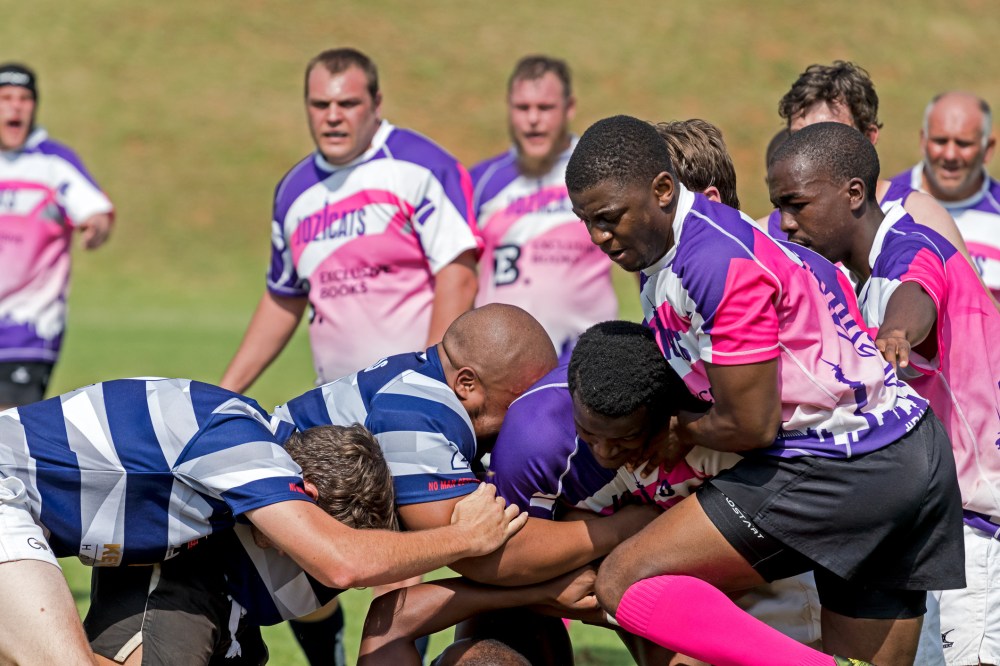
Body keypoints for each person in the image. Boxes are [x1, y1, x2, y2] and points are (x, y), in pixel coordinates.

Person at [565, 115, 964, 665]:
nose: (598, 237)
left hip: (839, 464)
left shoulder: (711, 258)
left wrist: (680, 434)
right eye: (586, 221)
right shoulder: (703, 248)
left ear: (661, 190)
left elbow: (751, 424)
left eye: (608, 218)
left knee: (624, 583)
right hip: (907, 452)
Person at [0, 377, 525, 666]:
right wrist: (462, 537)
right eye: (291, 537)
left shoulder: (246, 451)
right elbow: (341, 562)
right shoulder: (243, 444)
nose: (280, 544)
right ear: (305, 492)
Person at [772, 121, 1000, 666]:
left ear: (854, 194)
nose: (786, 222)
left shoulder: (910, 246)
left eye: (797, 204)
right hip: (929, 531)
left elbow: (916, 292)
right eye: (778, 205)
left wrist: (896, 333)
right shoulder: (850, 275)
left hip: (977, 533)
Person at [220, 47, 479, 392]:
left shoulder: (423, 166)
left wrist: (427, 386)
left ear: (376, 103)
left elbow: (459, 278)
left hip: (412, 398)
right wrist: (224, 393)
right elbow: (284, 297)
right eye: (320, 104)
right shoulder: (293, 191)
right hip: (332, 404)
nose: (333, 116)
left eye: (348, 104)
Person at [470, 55, 616, 357]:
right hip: (499, 358)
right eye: (522, 108)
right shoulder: (482, 181)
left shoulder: (602, 172)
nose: (533, 119)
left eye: (545, 108)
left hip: (588, 357)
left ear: (569, 108)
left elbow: (643, 257)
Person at [760, 60, 969, 262]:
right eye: (798, 136)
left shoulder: (920, 216)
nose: (809, 150)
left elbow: (974, 298)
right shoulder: (765, 237)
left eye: (828, 135)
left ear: (869, 137)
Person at [0, 62, 114, 409]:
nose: (16, 106)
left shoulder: (53, 163)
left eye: (24, 98)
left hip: (29, 326)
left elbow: (96, 210)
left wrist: (96, 227)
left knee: (6, 433)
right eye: (5, 97)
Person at [890, 91, 1000, 302]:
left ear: (988, 148)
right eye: (940, 141)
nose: (950, 155)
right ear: (923, 141)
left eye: (963, 144)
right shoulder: (886, 203)